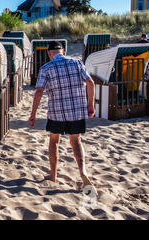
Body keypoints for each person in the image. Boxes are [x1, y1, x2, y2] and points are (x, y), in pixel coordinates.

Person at [29, 41, 96, 190]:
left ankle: (53, 175)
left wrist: (33, 114)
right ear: (63, 51)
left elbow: (39, 92)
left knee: (54, 141)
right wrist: (90, 105)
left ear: (49, 53)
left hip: (56, 112)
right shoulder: (77, 63)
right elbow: (90, 83)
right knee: (76, 141)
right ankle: (82, 171)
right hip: (77, 111)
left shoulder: (46, 68)